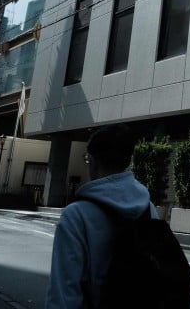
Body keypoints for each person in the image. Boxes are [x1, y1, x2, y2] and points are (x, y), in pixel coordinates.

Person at [46, 125, 157, 309]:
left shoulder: (76, 216)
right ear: (128, 161)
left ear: (93, 161)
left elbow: (64, 293)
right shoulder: (148, 208)